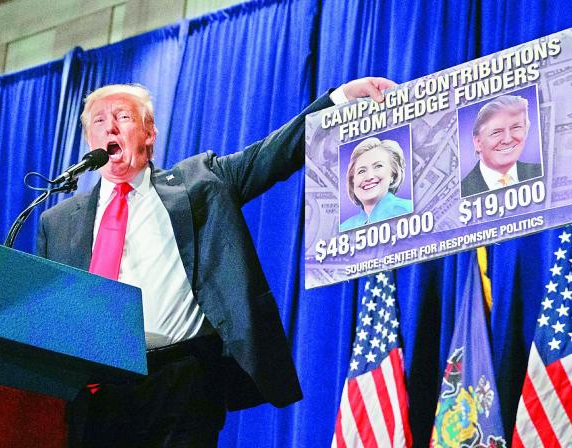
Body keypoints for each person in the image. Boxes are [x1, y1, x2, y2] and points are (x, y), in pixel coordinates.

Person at [36, 77, 396, 447]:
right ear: (89, 141)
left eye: (123, 116)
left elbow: (272, 154)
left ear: (149, 133)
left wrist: (337, 102)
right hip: (96, 390)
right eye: (99, 121)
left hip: (180, 380)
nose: (110, 126)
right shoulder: (58, 222)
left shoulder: (200, 182)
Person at [460, 94, 542, 197]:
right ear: (478, 142)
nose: (507, 140)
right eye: (496, 132)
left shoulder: (542, 172)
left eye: (516, 127)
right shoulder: (463, 191)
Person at [340, 137, 412, 231]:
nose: (369, 177)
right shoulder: (344, 228)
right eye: (361, 171)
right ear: (352, 181)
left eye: (378, 166)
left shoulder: (409, 209)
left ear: (393, 174)